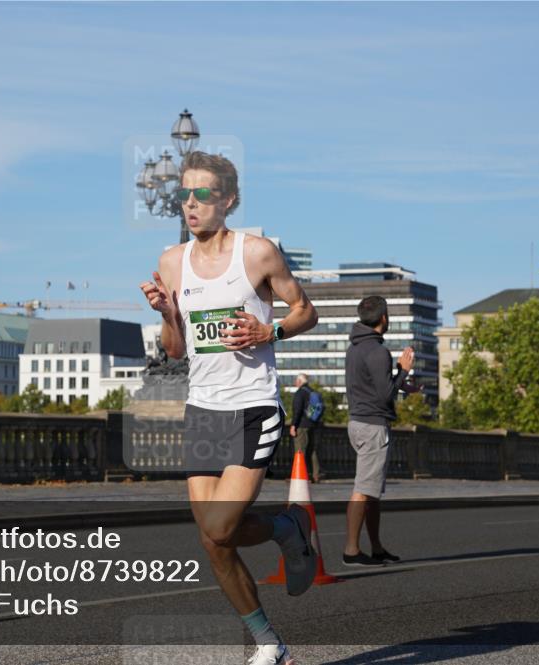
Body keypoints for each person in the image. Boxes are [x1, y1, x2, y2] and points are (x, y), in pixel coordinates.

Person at [139, 151, 319, 665]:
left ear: (228, 201)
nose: (190, 204)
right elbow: (175, 349)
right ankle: (269, 643)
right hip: (202, 408)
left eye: (202, 195)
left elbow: (305, 309)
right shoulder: (172, 262)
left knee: (220, 527)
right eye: (184, 195)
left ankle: (288, 528)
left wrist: (271, 330)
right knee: (213, 542)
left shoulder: (258, 253)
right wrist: (170, 314)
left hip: (252, 407)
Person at [342, 295, 414, 567]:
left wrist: (399, 378)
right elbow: (385, 395)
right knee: (363, 489)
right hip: (373, 425)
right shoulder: (377, 351)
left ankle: (376, 547)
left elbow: (372, 385)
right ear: (383, 318)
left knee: (371, 491)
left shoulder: (355, 348)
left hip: (357, 422)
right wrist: (404, 372)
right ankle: (351, 550)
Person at [289, 373, 323, 483]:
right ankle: (316, 475)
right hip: (313, 425)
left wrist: (293, 425)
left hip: (302, 426)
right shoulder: (313, 392)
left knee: (300, 450)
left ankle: (301, 475)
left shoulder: (300, 393)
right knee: (312, 451)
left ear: (299, 381)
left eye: (296, 380)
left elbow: (297, 410)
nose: (295, 383)